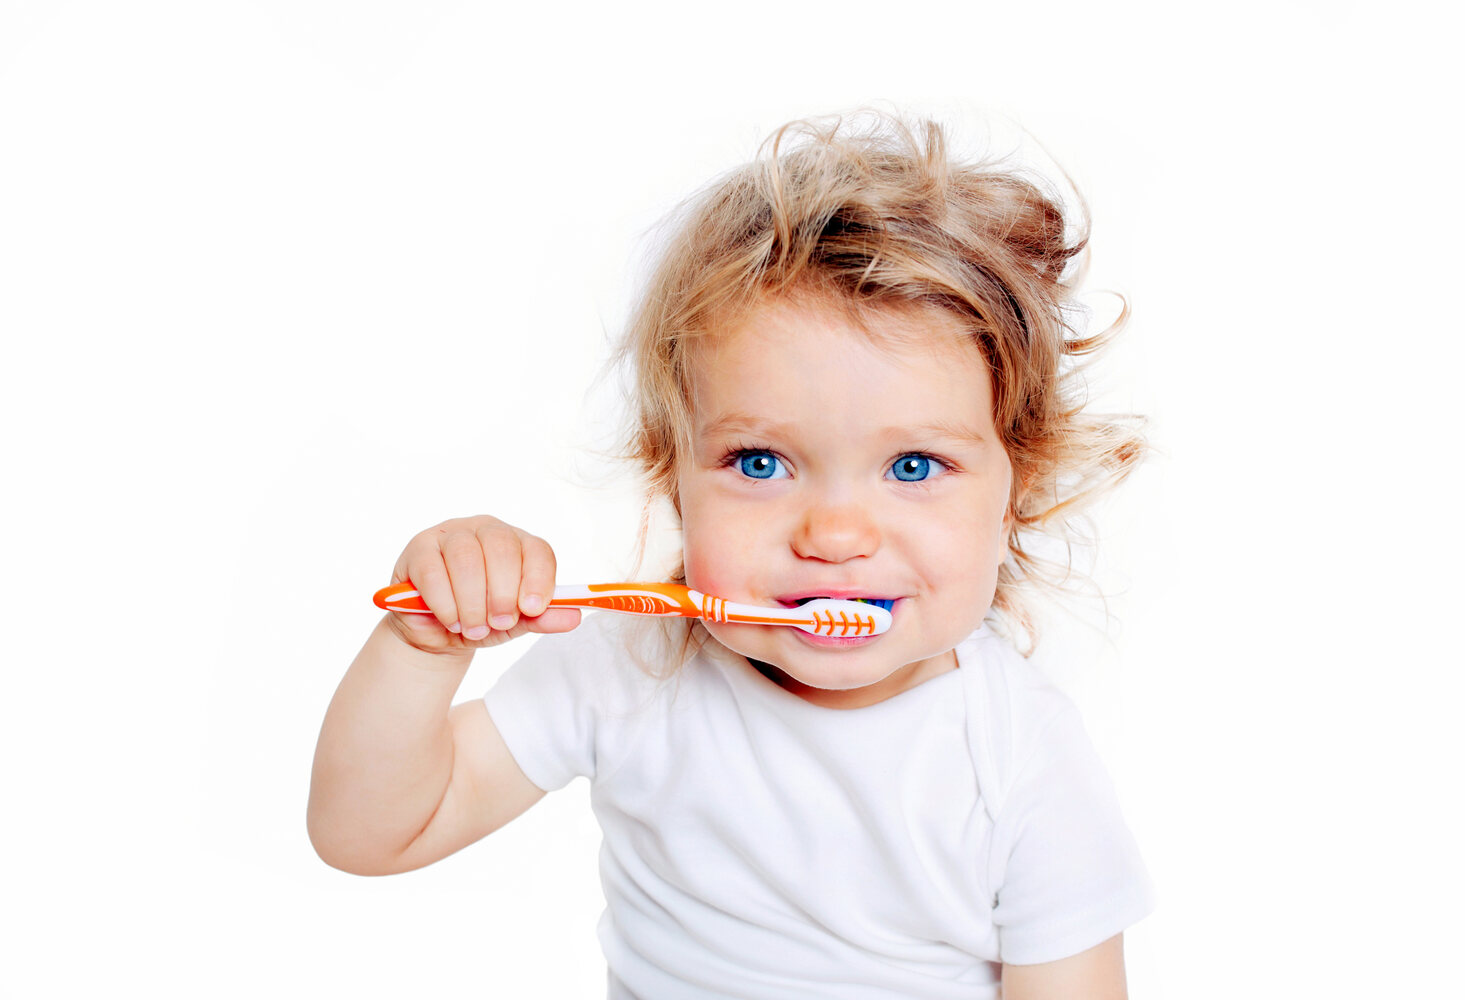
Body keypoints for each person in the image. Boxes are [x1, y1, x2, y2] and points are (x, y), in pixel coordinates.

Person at [309, 111, 1154, 999]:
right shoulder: (629, 666)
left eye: (913, 467)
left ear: (1015, 487)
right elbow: (369, 834)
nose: (834, 536)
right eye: (760, 463)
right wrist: (422, 647)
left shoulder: (1017, 751)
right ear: (672, 479)